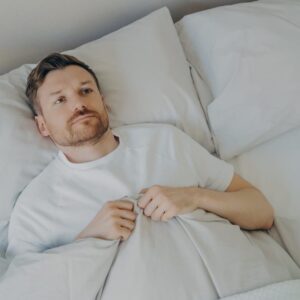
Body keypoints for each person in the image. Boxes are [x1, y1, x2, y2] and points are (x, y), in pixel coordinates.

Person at [6, 53, 274, 258]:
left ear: (104, 101)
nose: (78, 104)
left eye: (86, 91)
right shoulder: (35, 208)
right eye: (60, 100)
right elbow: (26, 286)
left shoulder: (165, 141)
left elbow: (261, 212)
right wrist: (89, 239)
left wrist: (195, 196)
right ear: (42, 125)